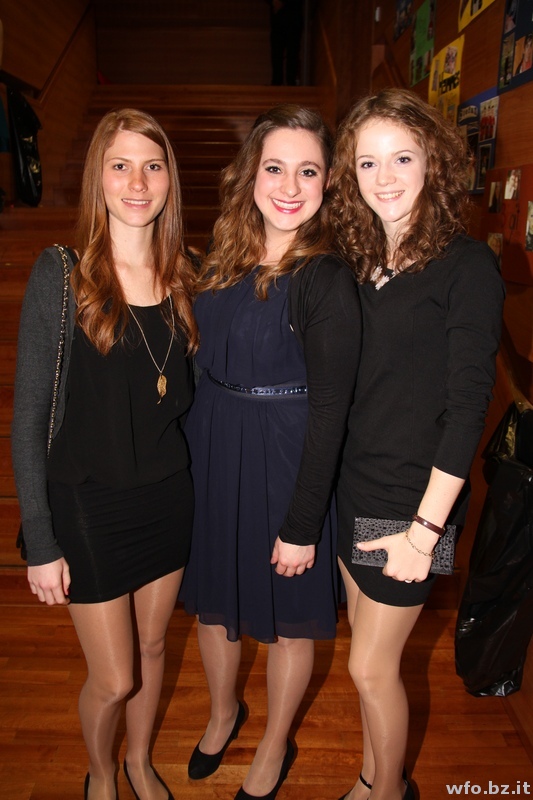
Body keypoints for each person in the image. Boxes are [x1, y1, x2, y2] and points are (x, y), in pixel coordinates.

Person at [11, 108, 199, 800]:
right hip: (87, 503)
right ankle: (101, 771)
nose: (137, 182)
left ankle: (141, 762)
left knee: (152, 650)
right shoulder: (61, 275)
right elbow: (29, 418)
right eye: (120, 166)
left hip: (167, 497)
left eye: (152, 166)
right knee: (115, 677)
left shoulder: (186, 275)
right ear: (99, 177)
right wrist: (40, 540)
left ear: (169, 180)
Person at [180, 104, 361, 799]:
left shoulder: (324, 277)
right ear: (249, 174)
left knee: (288, 621)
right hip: (214, 447)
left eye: (307, 171)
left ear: (328, 182)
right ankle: (223, 713)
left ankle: (275, 743)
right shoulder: (220, 257)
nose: (289, 186)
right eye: (275, 167)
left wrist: (302, 523)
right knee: (214, 603)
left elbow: (331, 411)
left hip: (287, 458)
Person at [329, 88, 505, 800]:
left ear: (433, 160)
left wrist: (425, 532)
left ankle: (386, 794)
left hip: (413, 504)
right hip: (353, 486)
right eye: (367, 162)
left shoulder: (467, 266)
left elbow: (467, 411)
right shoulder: (357, 258)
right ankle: (374, 777)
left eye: (401, 157)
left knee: (370, 668)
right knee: (368, 663)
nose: (385, 177)